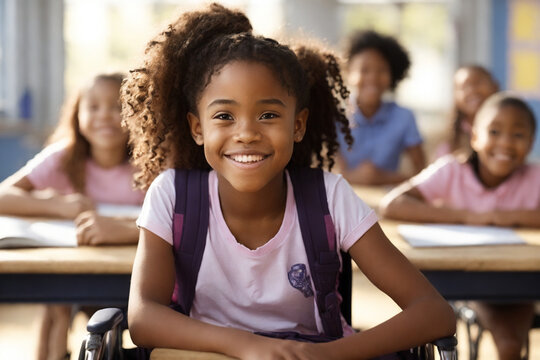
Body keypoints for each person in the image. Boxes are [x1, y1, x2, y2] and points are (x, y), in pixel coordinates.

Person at [123, 4, 455, 360]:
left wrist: (328, 356)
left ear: (298, 125)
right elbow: (143, 319)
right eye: (224, 116)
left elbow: (433, 312)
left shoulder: (331, 197)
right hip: (211, 353)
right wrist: (248, 347)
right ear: (197, 128)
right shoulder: (172, 194)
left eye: (268, 115)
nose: (247, 133)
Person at [380, 92, 539, 360]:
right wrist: (466, 216)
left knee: (510, 345)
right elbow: (392, 205)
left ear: (531, 143)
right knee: (428, 333)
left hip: (517, 285)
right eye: (495, 131)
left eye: (518, 135)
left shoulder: (534, 176)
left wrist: (506, 216)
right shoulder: (452, 170)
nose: (506, 143)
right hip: (465, 281)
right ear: (475, 137)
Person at [0, 72, 145, 360]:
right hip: (71, 268)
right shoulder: (62, 158)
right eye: (93, 107)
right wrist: (58, 205)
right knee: (55, 302)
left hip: (129, 275)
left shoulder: (147, 162)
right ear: (76, 115)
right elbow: (3, 196)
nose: (105, 116)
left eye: (117, 107)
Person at [336, 30, 425, 185]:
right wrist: (356, 177)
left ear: (393, 75)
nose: (373, 78)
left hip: (386, 201)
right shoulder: (333, 115)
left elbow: (424, 175)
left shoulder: (404, 117)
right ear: (349, 72)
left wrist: (383, 178)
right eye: (364, 70)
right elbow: (329, 172)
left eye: (382, 70)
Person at [434, 64, 499, 160]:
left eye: (478, 83)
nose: (471, 90)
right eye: (463, 87)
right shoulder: (448, 141)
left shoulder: (510, 127)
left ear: (495, 86)